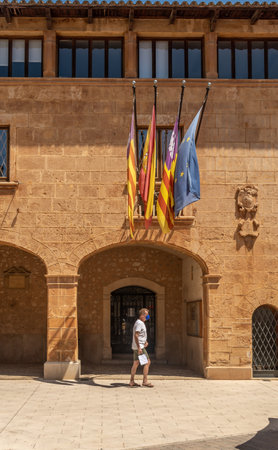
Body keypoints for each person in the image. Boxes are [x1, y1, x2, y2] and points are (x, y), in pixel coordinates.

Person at [129, 308, 154, 388]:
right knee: (147, 362)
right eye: (146, 315)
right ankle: (145, 381)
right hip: (139, 347)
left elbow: (139, 335)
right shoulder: (140, 323)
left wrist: (145, 341)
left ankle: (132, 381)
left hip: (137, 346)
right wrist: (140, 347)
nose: (147, 316)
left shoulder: (139, 322)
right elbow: (136, 335)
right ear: (142, 315)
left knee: (136, 363)